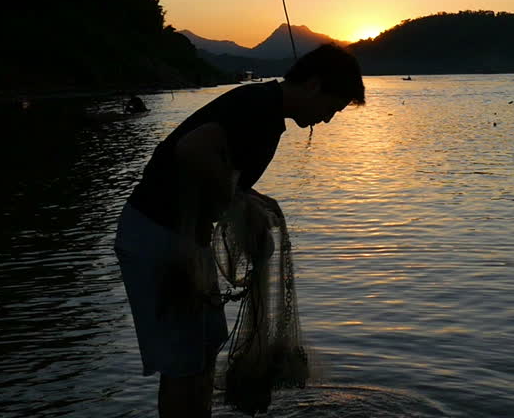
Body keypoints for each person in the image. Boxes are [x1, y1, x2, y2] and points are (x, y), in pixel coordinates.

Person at [114, 43, 364, 418]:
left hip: (182, 241)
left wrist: (252, 201)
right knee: (184, 361)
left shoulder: (266, 110)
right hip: (157, 235)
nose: (327, 119)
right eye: (333, 107)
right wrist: (239, 201)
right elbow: (192, 150)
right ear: (314, 86)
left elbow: (224, 174)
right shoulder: (258, 107)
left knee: (204, 346)